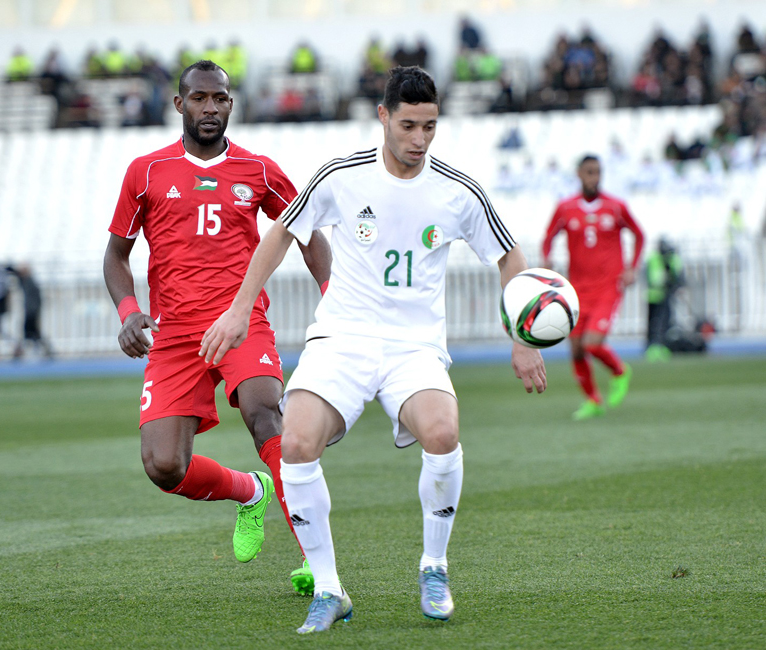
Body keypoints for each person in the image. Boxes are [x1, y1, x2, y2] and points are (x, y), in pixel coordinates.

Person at [202, 66, 546, 633]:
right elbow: (282, 234)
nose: (419, 139)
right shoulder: (342, 176)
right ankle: (329, 589)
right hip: (342, 337)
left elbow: (509, 257)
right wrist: (239, 309)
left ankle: (434, 566)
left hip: (414, 347)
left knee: (443, 432)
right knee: (296, 442)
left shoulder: (458, 191)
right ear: (383, 117)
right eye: (408, 125)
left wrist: (523, 336)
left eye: (430, 127)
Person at [103, 61, 332, 592]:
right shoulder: (147, 172)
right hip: (175, 333)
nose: (211, 108)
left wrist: (334, 299)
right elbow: (116, 256)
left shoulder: (259, 170)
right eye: (200, 99)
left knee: (264, 413)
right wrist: (128, 312)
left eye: (221, 99)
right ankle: (249, 493)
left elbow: (309, 236)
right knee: (164, 465)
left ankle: (314, 562)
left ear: (232, 104)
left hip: (239, 318)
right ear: (179, 105)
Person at [542, 155, 645, 420]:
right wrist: (547, 261)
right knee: (576, 348)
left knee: (592, 344)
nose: (594, 177)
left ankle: (620, 371)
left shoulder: (616, 206)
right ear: (578, 174)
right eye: (589, 172)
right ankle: (593, 400)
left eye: (597, 172)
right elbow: (548, 237)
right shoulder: (566, 208)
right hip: (577, 289)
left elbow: (639, 235)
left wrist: (632, 267)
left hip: (609, 287)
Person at [645, 238, 683, 362]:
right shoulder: (654, 259)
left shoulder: (672, 258)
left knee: (665, 322)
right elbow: (654, 279)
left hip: (665, 296)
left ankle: (661, 346)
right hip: (655, 296)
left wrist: (675, 284)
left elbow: (678, 275)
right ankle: (653, 347)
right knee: (655, 323)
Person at [8, 263, 54, 360]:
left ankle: (20, 352)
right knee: (32, 333)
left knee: (31, 333)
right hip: (30, 311)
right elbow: (17, 276)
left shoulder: (30, 282)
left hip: (31, 312)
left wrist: (33, 311)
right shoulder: (27, 281)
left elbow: (36, 299)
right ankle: (43, 350)